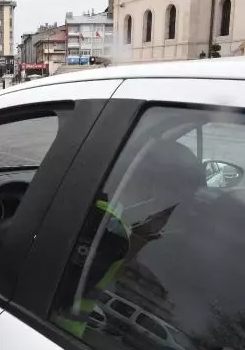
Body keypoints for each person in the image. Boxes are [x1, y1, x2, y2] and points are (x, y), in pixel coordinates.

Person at [52, 140, 205, 339]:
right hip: (61, 337)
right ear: (156, 188)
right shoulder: (107, 233)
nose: (183, 208)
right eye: (182, 197)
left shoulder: (110, 220)